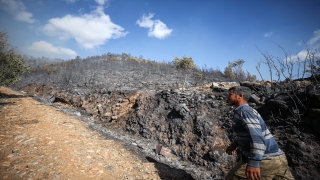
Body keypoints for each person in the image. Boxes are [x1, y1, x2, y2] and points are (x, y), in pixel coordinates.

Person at [224, 86, 294, 180]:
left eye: (230, 94)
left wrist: (254, 163)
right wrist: (234, 145)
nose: (227, 97)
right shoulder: (245, 111)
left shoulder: (245, 112)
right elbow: (249, 134)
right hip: (278, 158)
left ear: (240, 96)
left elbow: (257, 137)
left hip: (266, 160)